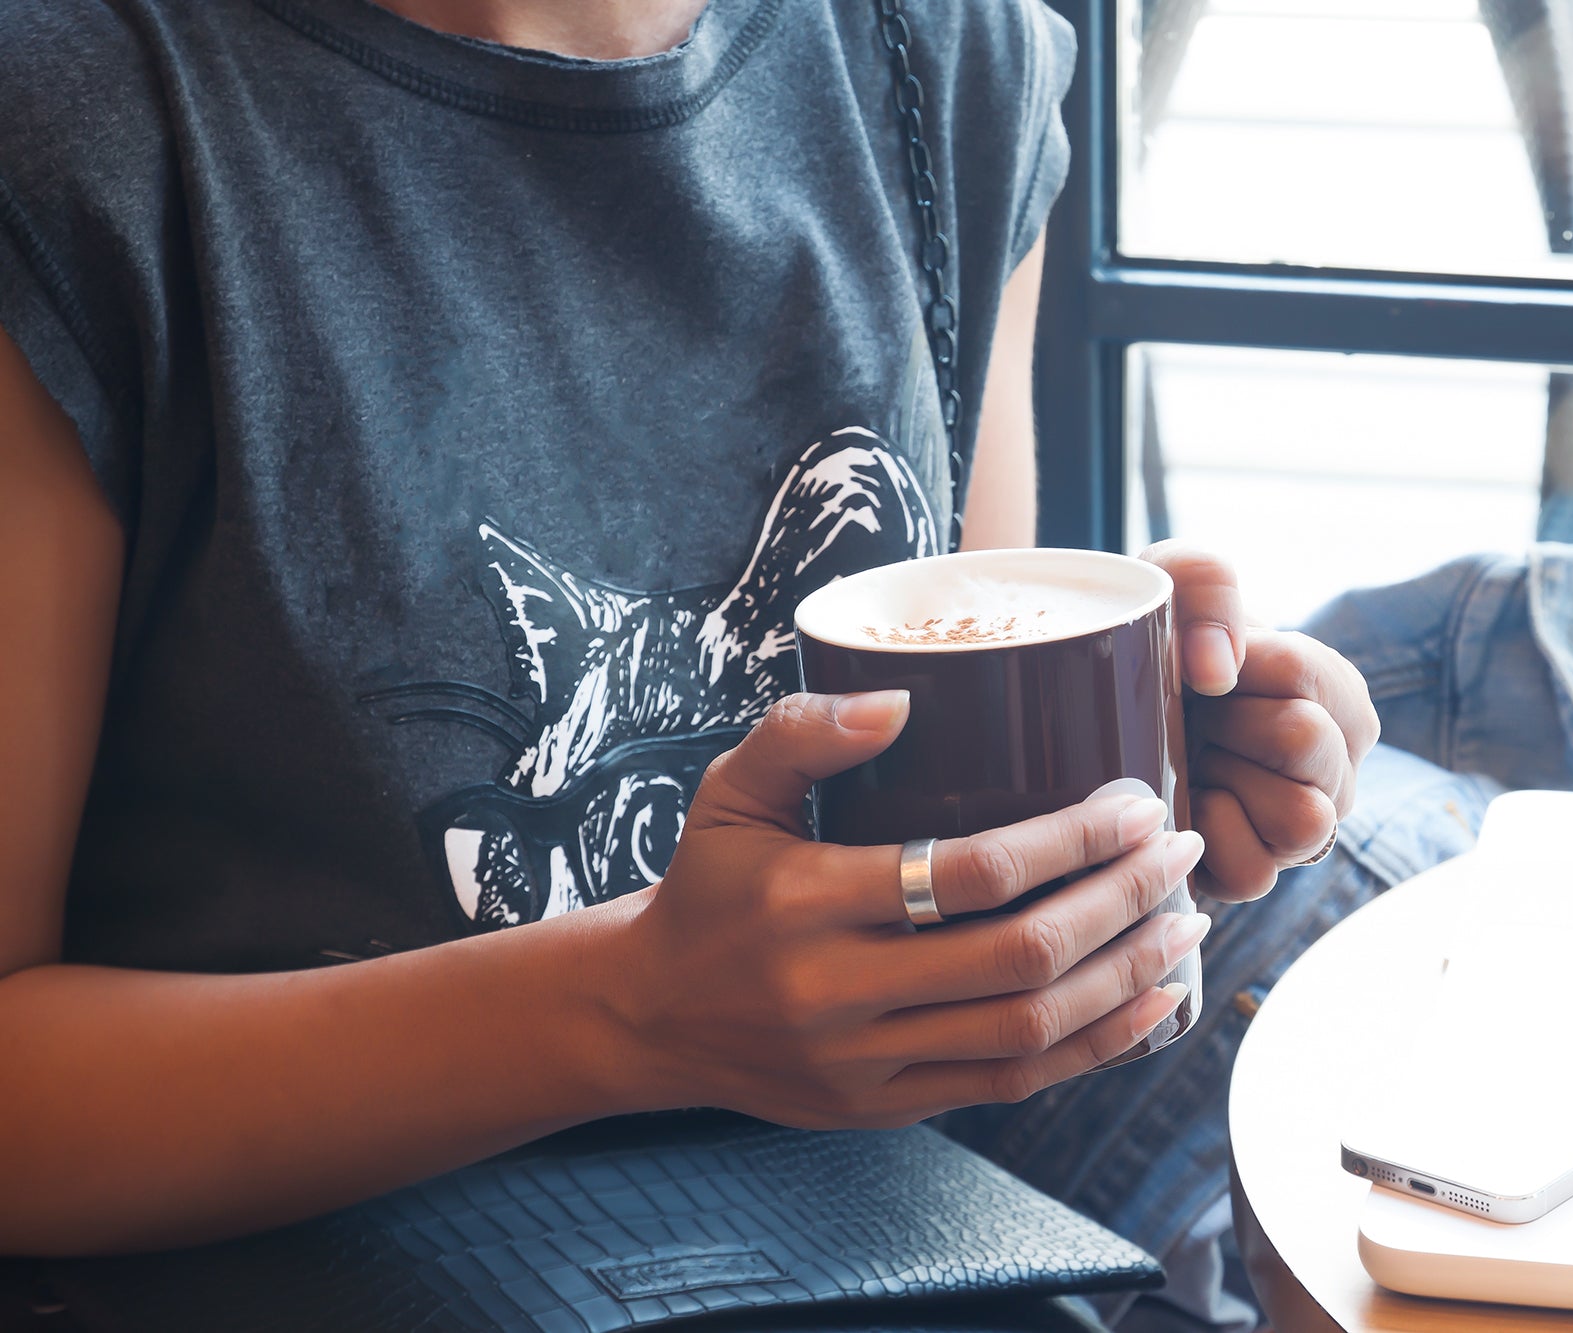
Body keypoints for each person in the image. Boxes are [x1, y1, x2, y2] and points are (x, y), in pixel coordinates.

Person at [0, 0, 1383, 1304]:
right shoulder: (79, 123)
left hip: (888, 1240)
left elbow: (922, 832)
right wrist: (620, 1012)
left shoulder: (932, 55)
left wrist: (1125, 781)